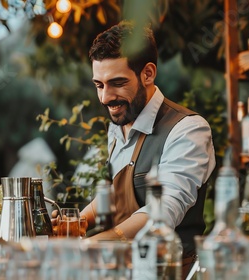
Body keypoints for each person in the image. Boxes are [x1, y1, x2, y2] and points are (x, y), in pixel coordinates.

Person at [59, 20, 215, 275]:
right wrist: (76, 223)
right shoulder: (119, 124)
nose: (105, 98)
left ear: (148, 73)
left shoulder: (188, 129)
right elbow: (117, 193)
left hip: (170, 273)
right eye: (99, 85)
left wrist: (94, 245)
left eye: (117, 83)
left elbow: (164, 209)